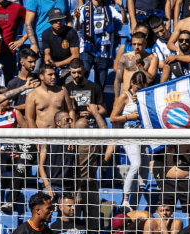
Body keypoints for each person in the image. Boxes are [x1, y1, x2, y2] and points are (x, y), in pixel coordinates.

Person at [110, 72, 147, 205]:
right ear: (132, 83)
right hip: (129, 132)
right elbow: (112, 118)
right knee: (135, 164)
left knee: (144, 167)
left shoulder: (144, 95)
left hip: (143, 134)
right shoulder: (124, 97)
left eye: (142, 87)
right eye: (138, 88)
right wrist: (128, 117)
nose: (139, 90)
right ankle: (125, 199)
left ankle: (138, 196)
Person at [73, 0, 122, 90]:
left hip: (103, 52)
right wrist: (77, 19)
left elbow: (124, 21)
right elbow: (77, 28)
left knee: (100, 87)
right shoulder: (83, 9)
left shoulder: (110, 9)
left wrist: (122, 7)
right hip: (87, 50)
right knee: (82, 79)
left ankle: (97, 103)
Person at [0, 0, 28, 83]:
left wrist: (21, 40)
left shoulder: (17, 8)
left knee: (7, 84)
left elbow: (31, 23)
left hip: (8, 53)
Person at [25, 63, 76, 128]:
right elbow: (30, 119)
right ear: (41, 77)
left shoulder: (62, 90)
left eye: (54, 74)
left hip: (60, 133)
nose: (54, 77)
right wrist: (36, 136)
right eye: (50, 75)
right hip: (41, 134)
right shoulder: (32, 95)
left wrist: (73, 129)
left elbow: (70, 110)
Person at [41, 8, 80, 85]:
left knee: (69, 87)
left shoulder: (71, 32)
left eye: (60, 20)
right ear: (50, 22)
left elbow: (75, 56)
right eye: (55, 21)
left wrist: (56, 64)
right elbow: (47, 55)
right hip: (54, 67)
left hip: (69, 67)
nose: (58, 22)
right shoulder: (46, 34)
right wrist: (48, 62)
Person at [114, 32, 158, 97]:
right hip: (126, 96)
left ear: (145, 43)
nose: (136, 47)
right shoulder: (124, 57)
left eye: (139, 44)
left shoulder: (152, 59)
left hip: (142, 96)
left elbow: (150, 80)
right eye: (134, 44)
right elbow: (118, 80)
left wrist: (139, 64)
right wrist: (116, 99)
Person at [65, 59, 107, 125]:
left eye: (79, 72)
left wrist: (92, 113)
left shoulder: (95, 87)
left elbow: (103, 110)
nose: (77, 75)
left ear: (84, 70)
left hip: (91, 121)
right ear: (70, 72)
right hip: (73, 121)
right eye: (74, 73)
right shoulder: (66, 88)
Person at [6, 48, 40, 126]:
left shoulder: (38, 79)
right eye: (30, 62)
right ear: (22, 62)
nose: (33, 64)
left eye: (34, 61)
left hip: (38, 117)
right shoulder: (13, 83)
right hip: (21, 119)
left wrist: (16, 107)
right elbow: (7, 104)